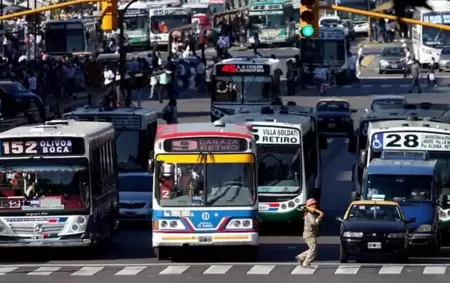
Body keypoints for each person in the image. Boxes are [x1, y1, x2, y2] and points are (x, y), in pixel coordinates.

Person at [295, 198, 324, 268]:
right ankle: (306, 263)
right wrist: (320, 217)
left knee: (312, 249)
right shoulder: (309, 214)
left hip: (309, 234)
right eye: (314, 204)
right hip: (309, 235)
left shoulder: (310, 213)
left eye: (315, 204)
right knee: (313, 250)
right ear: (310, 205)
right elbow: (314, 223)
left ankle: (300, 257)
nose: (315, 205)